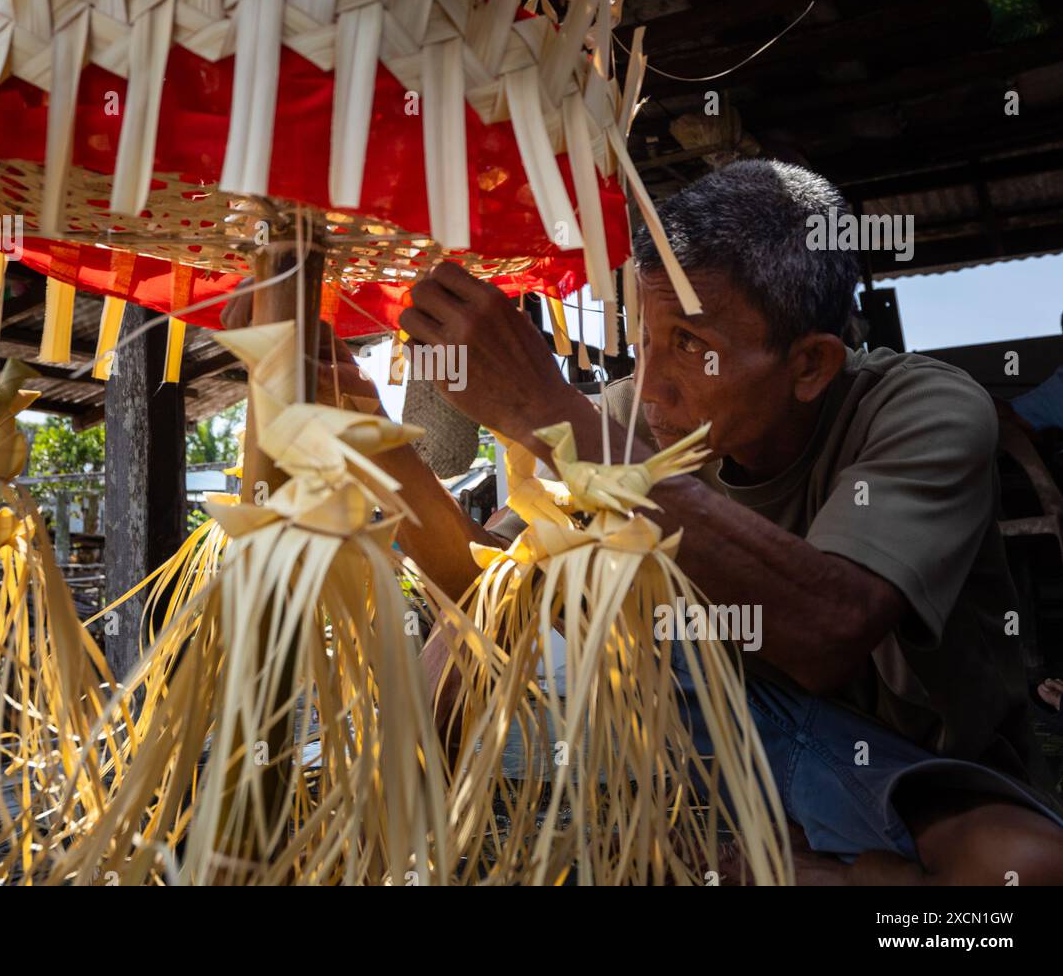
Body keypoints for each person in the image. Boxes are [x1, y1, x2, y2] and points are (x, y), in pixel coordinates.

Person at [223, 159, 1063, 884]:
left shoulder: (925, 410)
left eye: (690, 344)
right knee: (477, 637)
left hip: (904, 782)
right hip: (720, 746)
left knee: (1016, 876)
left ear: (810, 364)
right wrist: (374, 440)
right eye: (643, 337)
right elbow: (487, 597)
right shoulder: (625, 423)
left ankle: (810, 873)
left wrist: (553, 415)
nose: (652, 385)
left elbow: (827, 629)